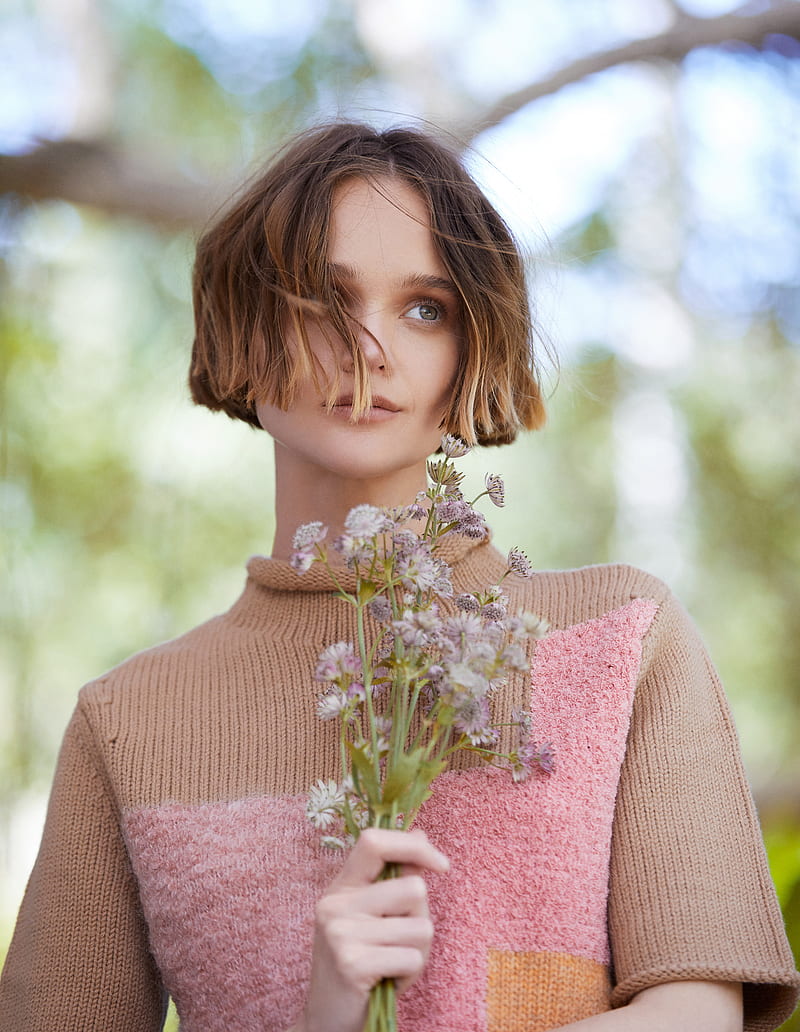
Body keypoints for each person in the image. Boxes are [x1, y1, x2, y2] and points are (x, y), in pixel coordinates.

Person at [1, 122, 798, 1032]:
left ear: (470, 347)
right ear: (240, 324)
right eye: (320, 298)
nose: (370, 347)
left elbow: (696, 1016)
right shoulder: (131, 720)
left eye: (426, 308)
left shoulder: (623, 638)